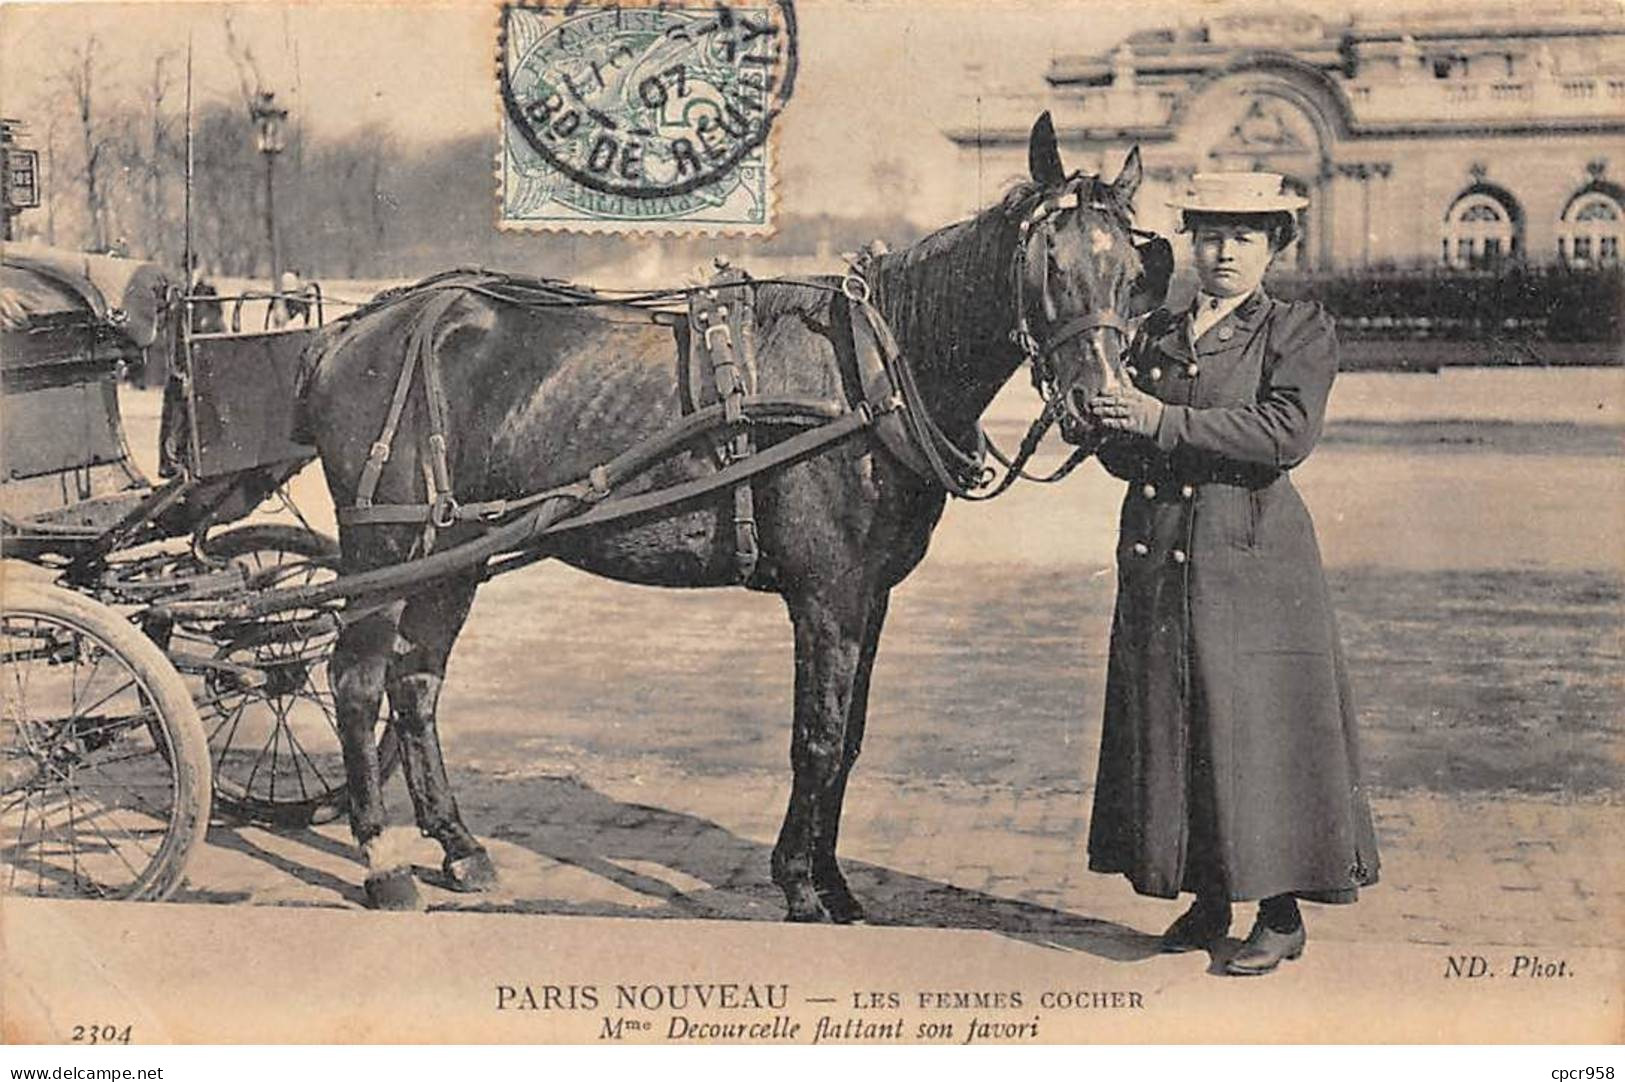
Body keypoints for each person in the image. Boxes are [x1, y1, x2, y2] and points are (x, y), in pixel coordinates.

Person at [1085, 172, 1380, 977]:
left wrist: (1161, 421)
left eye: (1245, 236)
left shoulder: (1295, 329)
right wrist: (1103, 424)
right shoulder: (1154, 332)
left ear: (1275, 246)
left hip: (1249, 558)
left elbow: (1285, 432)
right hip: (1159, 553)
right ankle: (1207, 898)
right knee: (1174, 722)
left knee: (1255, 730)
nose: (1223, 251)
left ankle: (1278, 914)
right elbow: (1128, 452)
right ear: (1191, 242)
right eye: (1210, 234)